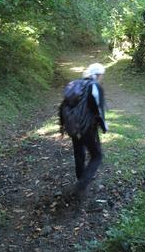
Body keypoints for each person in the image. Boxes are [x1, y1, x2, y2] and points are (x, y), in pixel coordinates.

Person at [59, 63, 108, 196]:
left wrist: (62, 126)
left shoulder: (74, 84)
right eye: (101, 75)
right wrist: (104, 126)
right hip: (87, 127)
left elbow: (63, 105)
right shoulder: (94, 86)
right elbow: (98, 108)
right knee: (97, 156)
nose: (102, 78)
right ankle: (81, 185)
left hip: (73, 126)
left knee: (79, 153)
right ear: (97, 75)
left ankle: (80, 182)